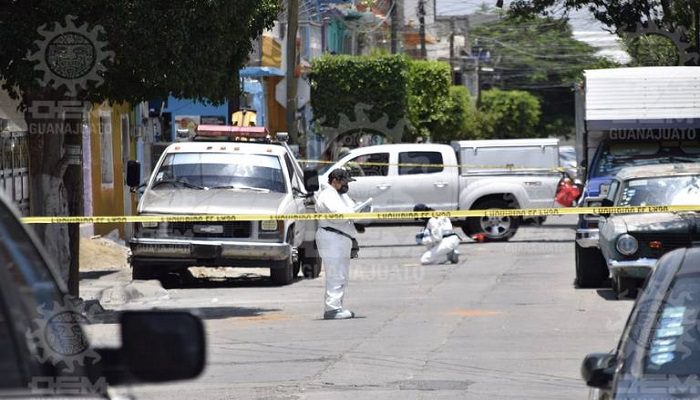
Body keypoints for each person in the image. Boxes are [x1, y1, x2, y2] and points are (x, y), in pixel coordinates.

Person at [316, 168, 368, 320]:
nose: (347, 186)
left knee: (341, 275)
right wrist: (352, 213)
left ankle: (337, 306)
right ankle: (332, 308)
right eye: (344, 182)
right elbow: (338, 216)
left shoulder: (341, 195)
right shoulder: (327, 195)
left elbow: (350, 214)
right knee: (335, 274)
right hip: (332, 238)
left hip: (340, 238)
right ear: (335, 181)